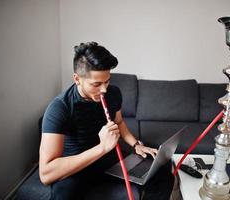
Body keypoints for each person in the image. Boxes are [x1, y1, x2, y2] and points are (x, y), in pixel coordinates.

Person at [39, 42, 174, 200]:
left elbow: (119, 122)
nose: (104, 90)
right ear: (77, 79)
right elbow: (46, 174)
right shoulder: (59, 108)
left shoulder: (113, 93)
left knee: (163, 177)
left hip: (107, 159)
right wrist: (102, 147)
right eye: (96, 84)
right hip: (76, 166)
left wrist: (136, 144)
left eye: (107, 81)